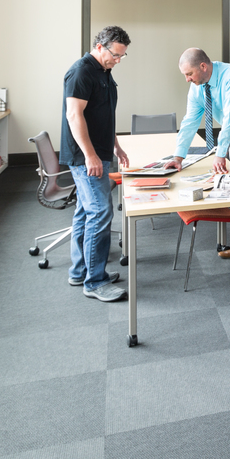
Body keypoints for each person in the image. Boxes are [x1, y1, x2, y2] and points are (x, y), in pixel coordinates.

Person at [165, 48, 230, 264]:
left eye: (189, 74)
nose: (187, 79)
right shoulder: (197, 87)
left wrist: (220, 153)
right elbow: (190, 121)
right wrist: (178, 156)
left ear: (203, 67)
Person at [61, 26, 132, 302]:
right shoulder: (81, 71)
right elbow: (74, 115)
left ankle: (80, 271)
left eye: (122, 57)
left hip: (99, 151)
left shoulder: (104, 71)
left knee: (85, 211)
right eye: (115, 55)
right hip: (85, 156)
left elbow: (101, 115)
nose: (117, 61)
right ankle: (95, 281)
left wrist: (116, 145)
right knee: (100, 213)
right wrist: (90, 155)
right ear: (100, 46)